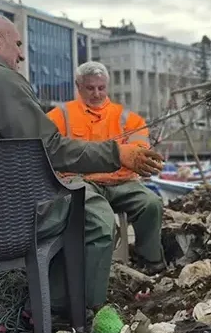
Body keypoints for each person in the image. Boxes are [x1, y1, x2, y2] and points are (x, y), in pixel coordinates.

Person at [0, 12, 164, 312]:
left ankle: (44, 301)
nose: (21, 55)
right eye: (18, 44)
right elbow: (50, 148)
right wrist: (116, 153)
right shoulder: (0, 80)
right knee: (96, 216)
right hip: (8, 225)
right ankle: (68, 309)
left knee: (98, 204)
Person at [47, 61, 164, 274]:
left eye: (101, 88)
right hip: (81, 182)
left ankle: (150, 259)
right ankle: (96, 269)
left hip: (121, 183)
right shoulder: (60, 115)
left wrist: (141, 156)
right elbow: (47, 147)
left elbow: (141, 148)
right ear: (78, 86)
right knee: (101, 217)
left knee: (152, 203)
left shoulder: (129, 119)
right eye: (90, 88)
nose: (97, 93)